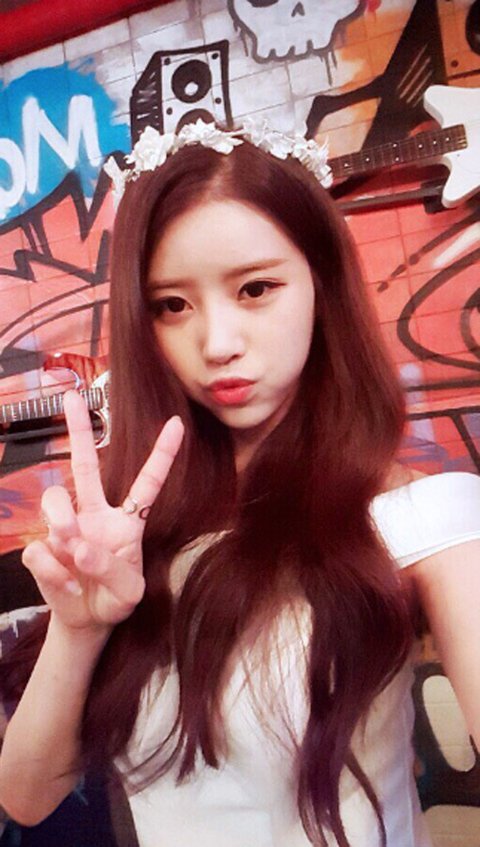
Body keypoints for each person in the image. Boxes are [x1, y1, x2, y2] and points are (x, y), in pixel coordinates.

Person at [0, 119, 479, 847]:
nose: (217, 343)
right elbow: (27, 797)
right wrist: (79, 626)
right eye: (172, 305)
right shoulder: (134, 536)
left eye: (256, 288)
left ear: (321, 283)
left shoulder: (423, 518)